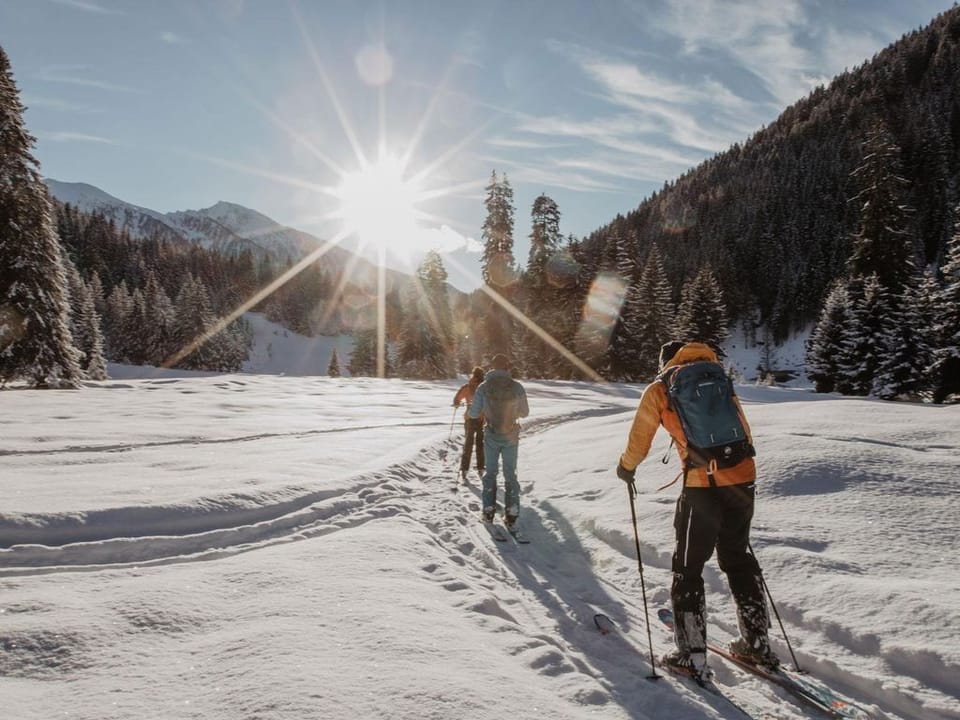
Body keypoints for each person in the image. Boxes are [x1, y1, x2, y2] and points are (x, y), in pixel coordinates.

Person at [615, 340, 777, 680]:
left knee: (687, 568)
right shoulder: (718, 377)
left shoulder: (662, 387)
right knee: (738, 559)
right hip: (743, 479)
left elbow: (639, 437)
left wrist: (626, 467)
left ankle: (690, 654)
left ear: (664, 361)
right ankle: (757, 642)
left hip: (703, 487)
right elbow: (742, 429)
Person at [468, 354, 529, 528]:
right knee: (510, 474)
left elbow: (473, 413)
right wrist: (513, 412)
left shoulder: (483, 387)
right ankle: (512, 513)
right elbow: (525, 412)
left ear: (492, 367)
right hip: (511, 436)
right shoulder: (517, 387)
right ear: (507, 367)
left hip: (491, 435)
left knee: (491, 473)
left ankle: (488, 511)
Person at [452, 366, 486, 480]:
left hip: (469, 419)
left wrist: (457, 404)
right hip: (482, 420)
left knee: (468, 444)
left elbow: (457, 398)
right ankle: (481, 468)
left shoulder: (467, 387)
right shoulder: (485, 387)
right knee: (481, 445)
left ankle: (464, 469)